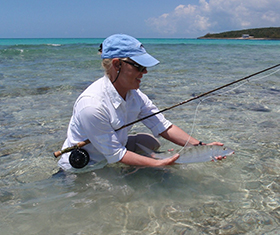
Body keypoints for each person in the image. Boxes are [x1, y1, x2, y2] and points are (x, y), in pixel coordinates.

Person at [58, 34, 223, 170]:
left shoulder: (135, 95)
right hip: (87, 166)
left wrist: (201, 146)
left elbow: (163, 126)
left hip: (112, 150)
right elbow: (117, 154)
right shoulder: (91, 106)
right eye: (139, 66)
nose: (145, 72)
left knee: (150, 142)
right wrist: (159, 163)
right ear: (117, 64)